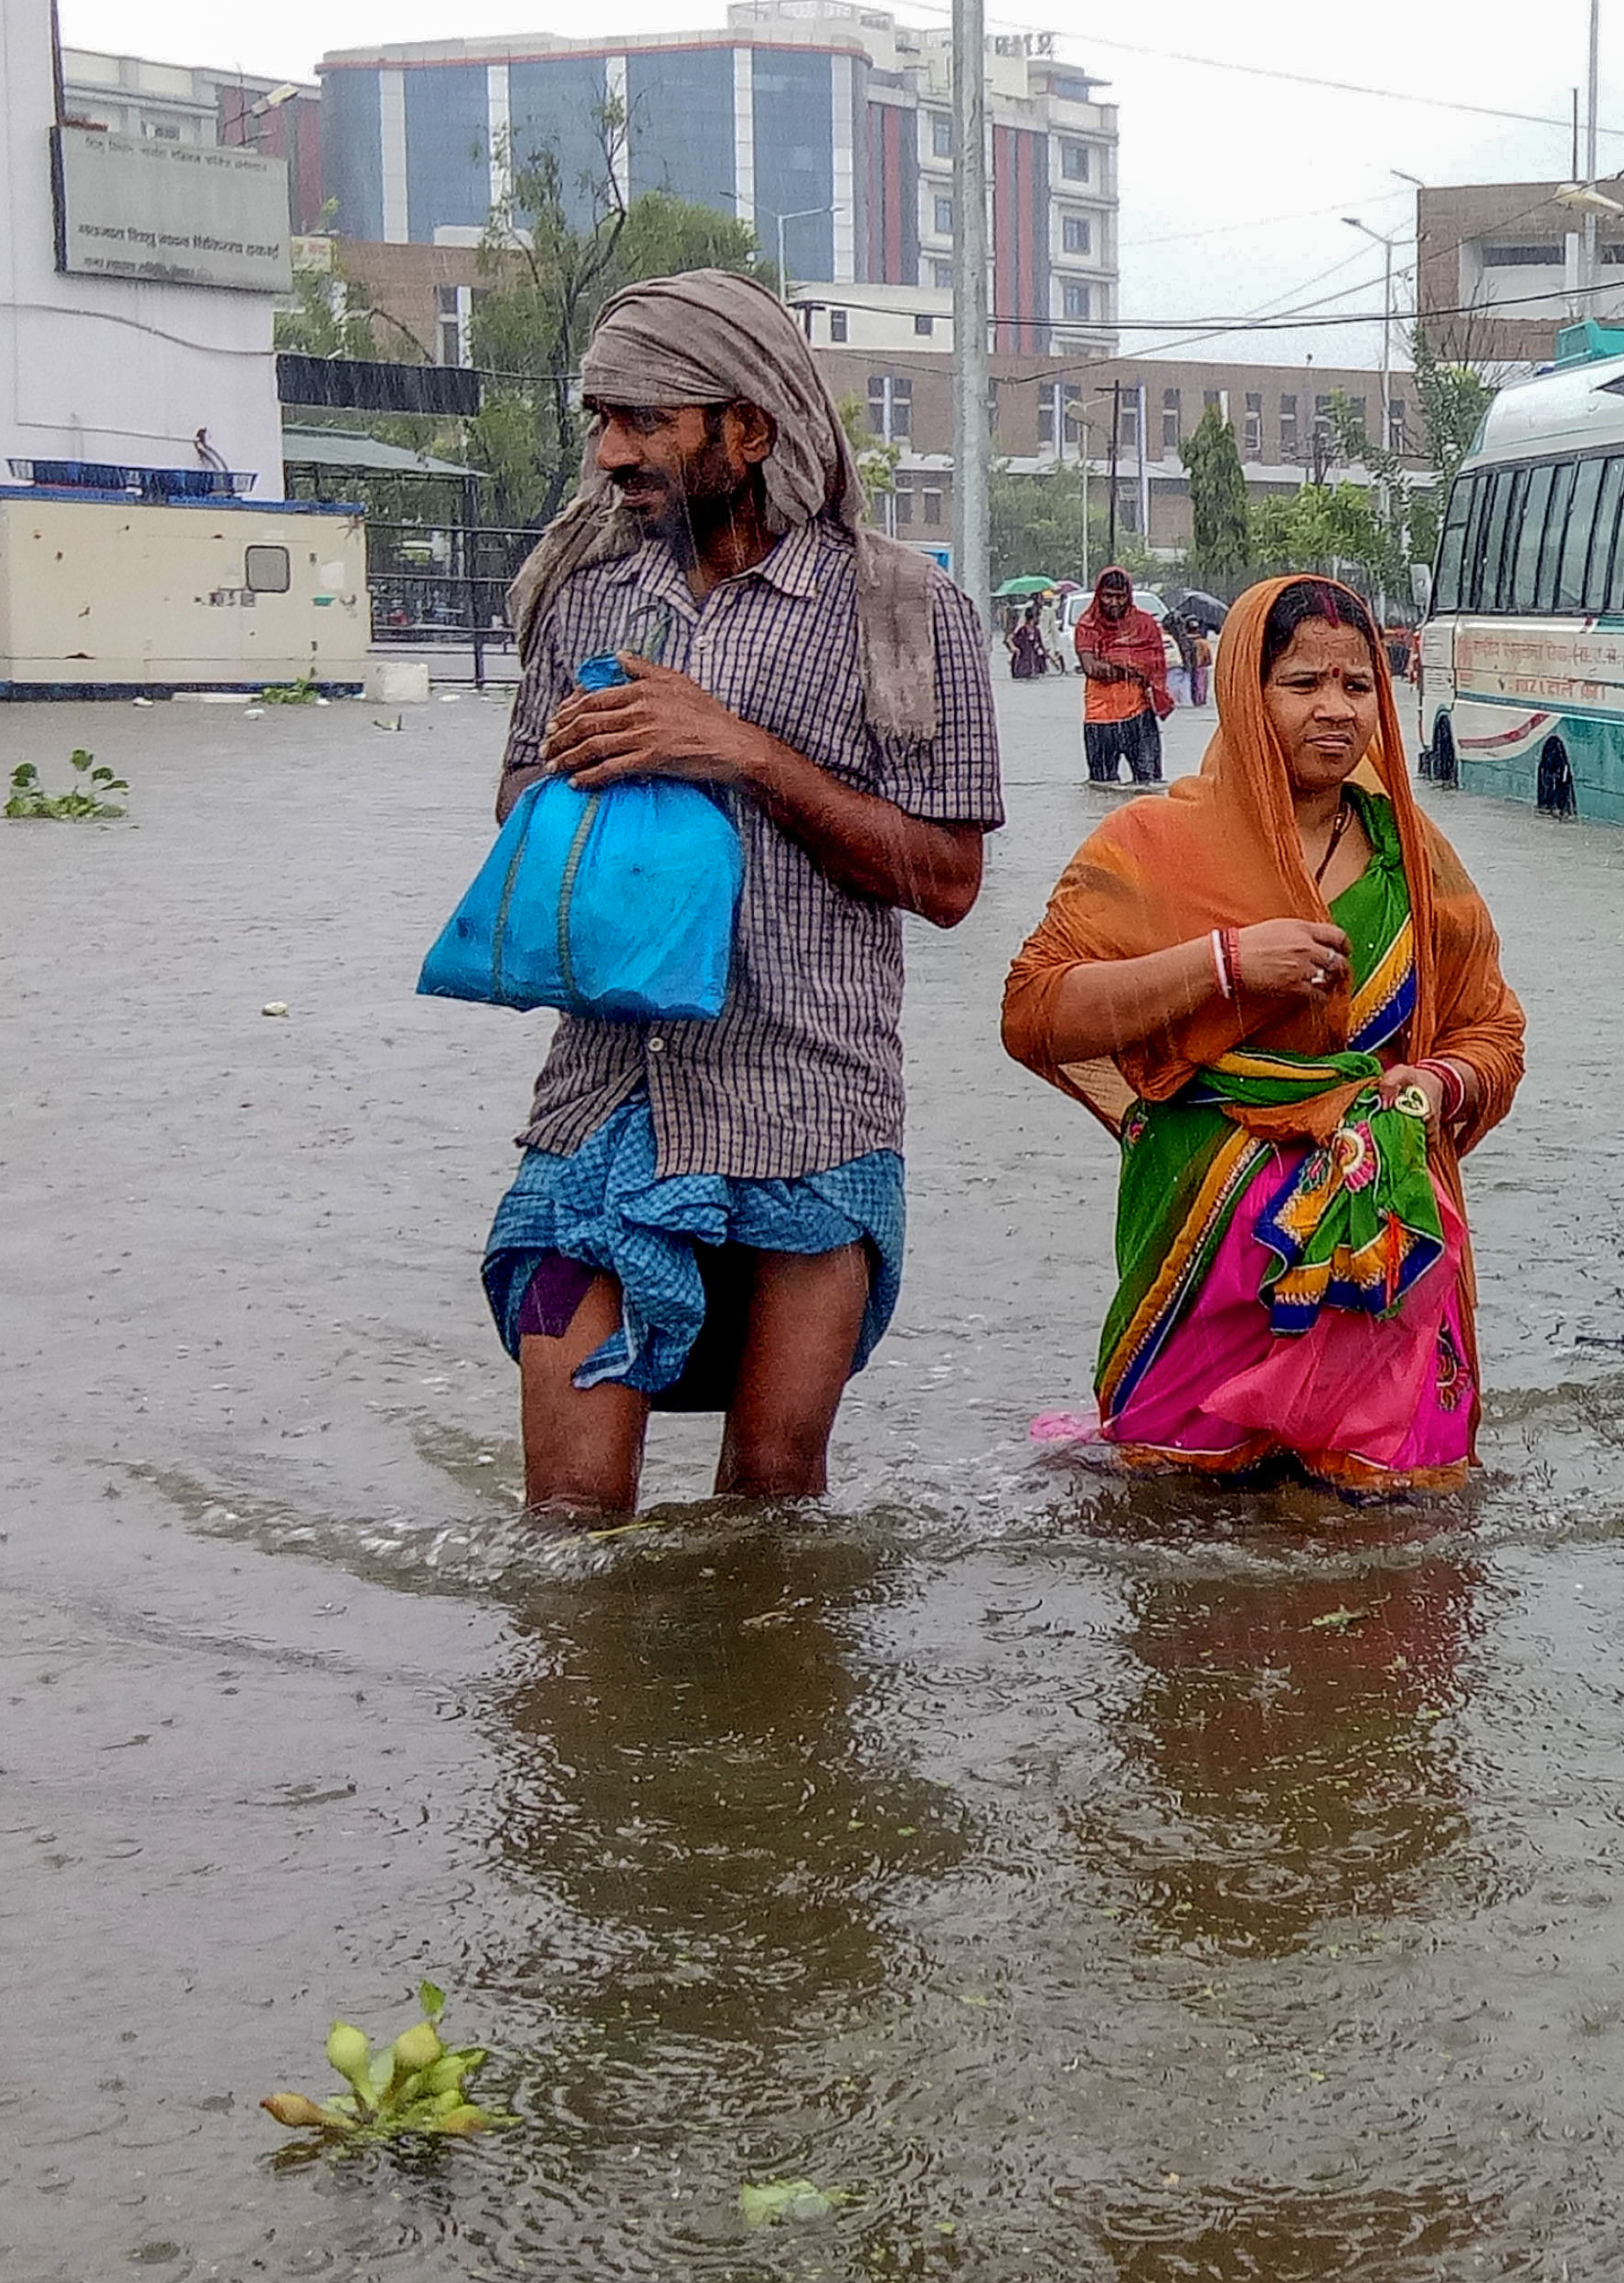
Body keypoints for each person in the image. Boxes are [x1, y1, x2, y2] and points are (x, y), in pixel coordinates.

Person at [479, 268, 1004, 1519]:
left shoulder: (901, 607)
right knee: (568, 1521)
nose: (609, 454)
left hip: (810, 1112)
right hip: (601, 1102)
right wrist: (595, 788)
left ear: (748, 428)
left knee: (771, 1506)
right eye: (598, 418)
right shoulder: (583, 590)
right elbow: (512, 810)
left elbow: (948, 882)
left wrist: (745, 754)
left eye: (642, 420)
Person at [1001, 575, 1526, 1497]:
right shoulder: (1151, 844)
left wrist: (1439, 1086)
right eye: (1302, 685)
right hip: (1204, 1247)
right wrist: (1224, 964)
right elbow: (1036, 1009)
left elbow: (1492, 1027)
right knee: (1179, 1523)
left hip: (1381, 1241)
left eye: (1358, 686)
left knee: (1396, 1538)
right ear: (1248, 693)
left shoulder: (1415, 854)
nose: (1336, 710)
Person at [1075, 566, 1173, 784]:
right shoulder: (1087, 625)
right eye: (1108, 596)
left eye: (1120, 596)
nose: (1114, 602)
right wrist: (1131, 665)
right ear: (1099, 595)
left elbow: (1156, 665)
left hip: (1139, 716)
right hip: (1100, 719)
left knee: (1150, 785)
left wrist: (1112, 663)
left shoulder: (1145, 625)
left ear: (1128, 596)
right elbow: (1091, 668)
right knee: (1101, 786)